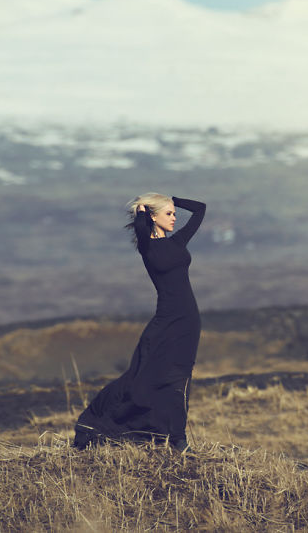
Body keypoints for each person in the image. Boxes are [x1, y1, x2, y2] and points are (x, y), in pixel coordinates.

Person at [73, 193, 206, 452]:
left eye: (174, 213)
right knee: (141, 377)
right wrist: (143, 212)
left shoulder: (178, 242)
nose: (174, 218)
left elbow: (200, 209)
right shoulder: (148, 246)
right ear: (153, 217)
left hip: (189, 320)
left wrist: (173, 200)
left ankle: (177, 438)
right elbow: (142, 228)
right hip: (166, 319)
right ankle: (93, 423)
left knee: (180, 377)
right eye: (168, 214)